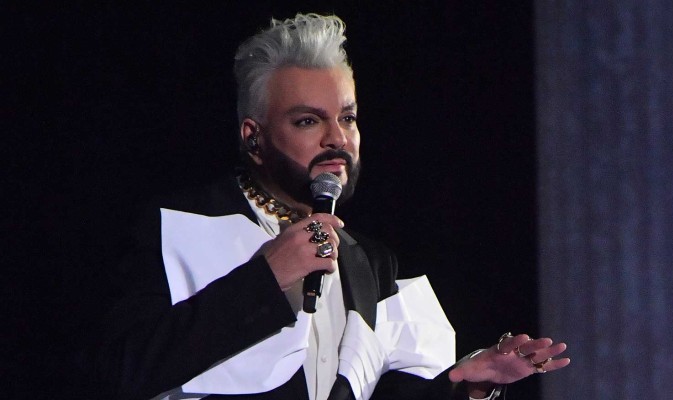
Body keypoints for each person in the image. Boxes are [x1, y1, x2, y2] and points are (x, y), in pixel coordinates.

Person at [95, 13, 569, 400]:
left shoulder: (370, 262)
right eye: (308, 121)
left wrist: (467, 385)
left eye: (348, 117)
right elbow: (117, 370)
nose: (337, 138)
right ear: (254, 138)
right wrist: (265, 278)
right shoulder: (174, 225)